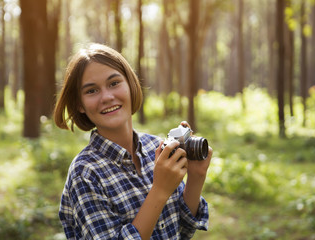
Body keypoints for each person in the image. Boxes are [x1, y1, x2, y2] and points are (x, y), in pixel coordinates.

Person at [54, 43, 213, 239]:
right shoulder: (85, 174)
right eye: (91, 91)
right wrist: (160, 189)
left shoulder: (156, 148)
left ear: (130, 84)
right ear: (79, 104)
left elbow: (183, 230)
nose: (107, 97)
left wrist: (196, 177)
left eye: (114, 83)